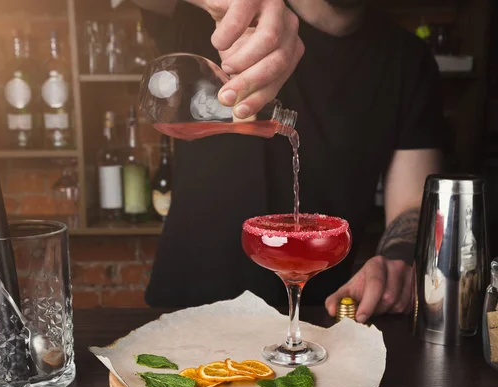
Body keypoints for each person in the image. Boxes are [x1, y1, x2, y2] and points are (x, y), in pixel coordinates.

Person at [132, 0, 445, 322]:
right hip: (189, 306)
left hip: (322, 314)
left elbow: (413, 201)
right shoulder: (211, 18)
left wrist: (399, 256)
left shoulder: (407, 58)